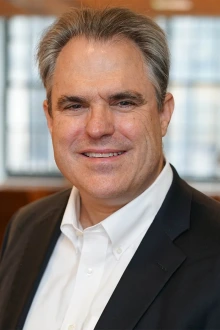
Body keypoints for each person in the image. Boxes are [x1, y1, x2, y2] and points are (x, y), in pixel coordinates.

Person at [0, 6, 220, 330]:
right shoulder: (25, 228)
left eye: (123, 102)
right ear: (49, 118)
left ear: (163, 114)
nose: (98, 127)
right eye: (75, 105)